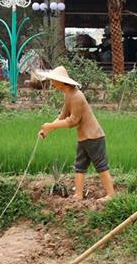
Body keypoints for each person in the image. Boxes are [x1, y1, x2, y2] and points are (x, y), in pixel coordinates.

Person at [37, 65, 115, 202]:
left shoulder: (77, 96)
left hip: (93, 136)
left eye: (54, 81)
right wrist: (47, 130)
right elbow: (62, 116)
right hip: (84, 137)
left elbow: (73, 121)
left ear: (62, 82)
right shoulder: (68, 95)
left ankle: (111, 194)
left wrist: (52, 125)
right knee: (80, 166)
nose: (52, 83)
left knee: (100, 165)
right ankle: (78, 194)